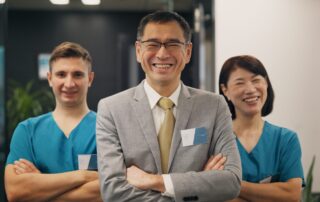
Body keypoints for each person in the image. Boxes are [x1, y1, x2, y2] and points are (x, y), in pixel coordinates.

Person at [96, 11, 241, 202]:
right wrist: (195, 189)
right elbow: (113, 191)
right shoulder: (112, 109)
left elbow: (231, 182)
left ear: (188, 52)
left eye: (173, 44)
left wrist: (154, 181)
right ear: (138, 51)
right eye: (153, 44)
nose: (162, 53)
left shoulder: (214, 106)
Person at [5, 42, 102, 202]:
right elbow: (15, 191)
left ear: (90, 79)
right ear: (50, 78)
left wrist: (41, 185)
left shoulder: (108, 129)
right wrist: (83, 176)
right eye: (61, 74)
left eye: (78, 74)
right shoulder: (27, 131)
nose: (69, 83)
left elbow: (113, 191)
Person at [219, 55, 304, 202]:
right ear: (225, 90)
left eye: (256, 80)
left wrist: (230, 184)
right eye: (240, 83)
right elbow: (209, 194)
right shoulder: (216, 139)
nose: (251, 89)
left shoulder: (285, 139)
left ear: (266, 84)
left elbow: (292, 194)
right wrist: (271, 193)